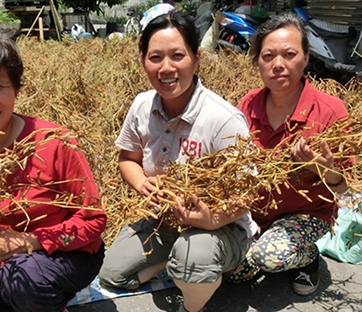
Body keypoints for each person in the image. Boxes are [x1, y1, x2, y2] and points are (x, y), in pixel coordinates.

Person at [97, 7, 258, 312]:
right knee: (111, 274)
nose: (166, 68)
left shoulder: (223, 119)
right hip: (166, 218)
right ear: (143, 59)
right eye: (155, 57)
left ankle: (192, 303)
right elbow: (127, 159)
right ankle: (171, 264)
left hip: (220, 225)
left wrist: (211, 219)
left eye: (178, 56)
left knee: (193, 260)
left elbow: (247, 192)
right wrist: (142, 182)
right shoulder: (142, 105)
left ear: (197, 58)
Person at [0, 29, 106, 312]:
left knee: (26, 282)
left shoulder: (54, 143)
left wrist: (26, 242)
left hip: (68, 255)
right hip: (2, 265)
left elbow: (93, 222)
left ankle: (49, 302)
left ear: (16, 88)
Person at [229, 12, 351, 296]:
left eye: (289, 54)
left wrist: (321, 168)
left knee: (267, 258)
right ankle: (263, 246)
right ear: (257, 60)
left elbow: (344, 186)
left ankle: (307, 258)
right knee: (232, 272)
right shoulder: (247, 104)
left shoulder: (331, 111)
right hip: (254, 214)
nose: (278, 65)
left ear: (306, 58)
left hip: (307, 214)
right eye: (268, 56)